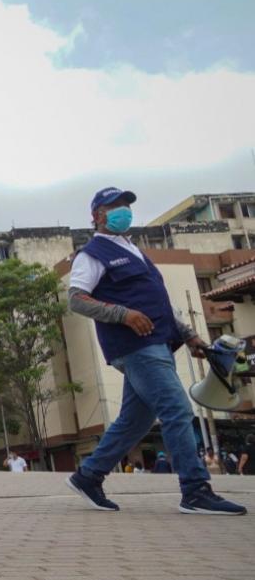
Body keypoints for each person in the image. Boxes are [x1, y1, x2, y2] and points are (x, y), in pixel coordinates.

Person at [64, 187, 245, 515]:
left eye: (126, 205)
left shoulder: (133, 249)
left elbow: (158, 303)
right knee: (177, 409)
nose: (123, 211)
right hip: (135, 347)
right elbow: (76, 298)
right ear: (97, 215)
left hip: (159, 342)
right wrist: (124, 314)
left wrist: (190, 336)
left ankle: (88, 476)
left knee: (136, 421)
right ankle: (195, 489)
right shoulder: (92, 253)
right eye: (114, 206)